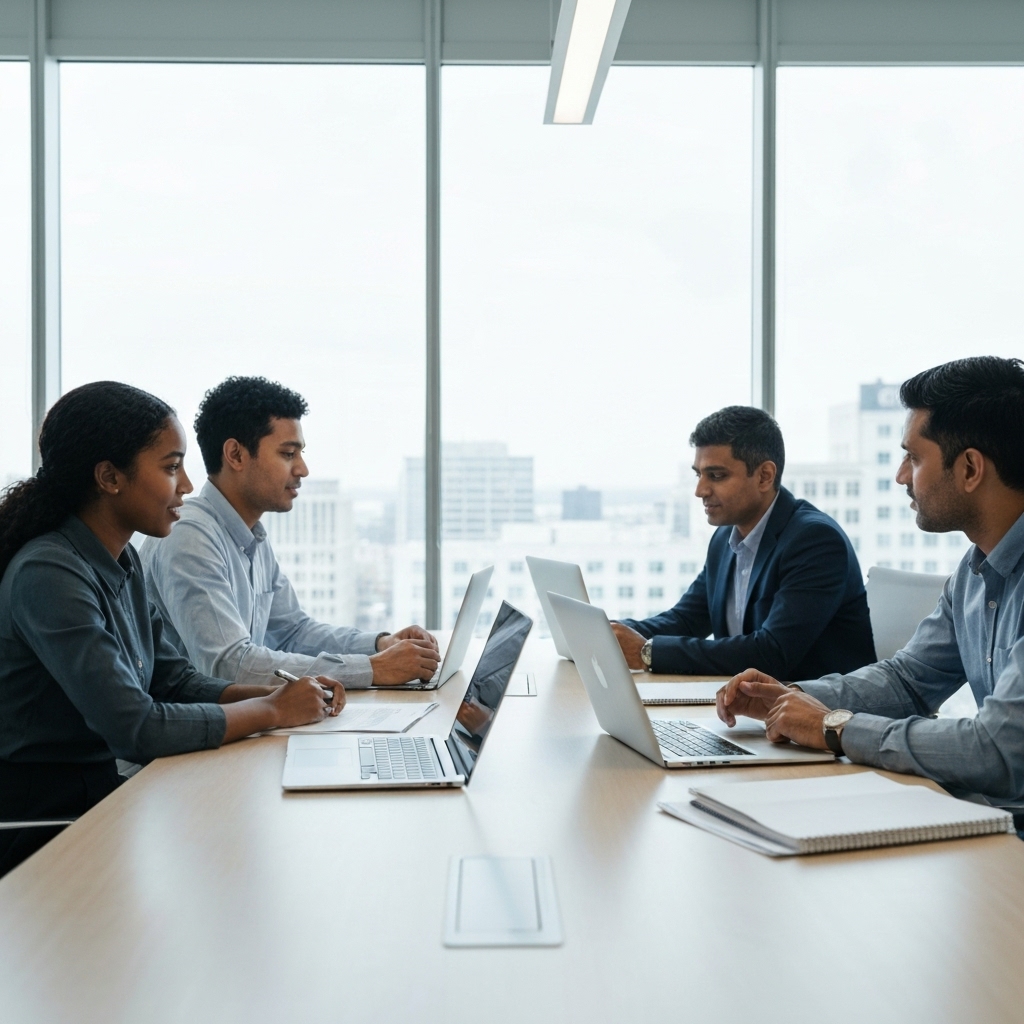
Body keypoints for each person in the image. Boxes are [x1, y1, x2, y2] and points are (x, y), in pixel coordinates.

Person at [0, 382, 343, 876]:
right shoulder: (50, 575)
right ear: (109, 477)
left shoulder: (122, 561)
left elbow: (174, 681)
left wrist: (285, 693)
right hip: (45, 826)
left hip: (101, 802)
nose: (185, 484)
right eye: (170, 467)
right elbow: (135, 727)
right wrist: (270, 709)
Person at [717, 357, 1024, 819]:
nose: (901, 475)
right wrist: (791, 698)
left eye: (914, 457)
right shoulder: (973, 571)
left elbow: (998, 750)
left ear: (970, 469)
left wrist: (834, 727)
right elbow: (907, 680)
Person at [141, 376, 439, 688]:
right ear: (236, 455)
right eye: (288, 454)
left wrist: (380, 645)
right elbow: (229, 666)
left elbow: (292, 632)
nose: (302, 469)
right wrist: (374, 670)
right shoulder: (190, 535)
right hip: (199, 730)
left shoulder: (250, 535)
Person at [611, 406, 875, 680]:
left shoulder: (815, 541)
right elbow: (686, 620)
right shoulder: (725, 537)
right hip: (748, 708)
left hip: (819, 712)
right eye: (698, 474)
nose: (700, 490)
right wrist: (611, 633)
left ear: (764, 476)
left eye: (716, 476)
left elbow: (771, 653)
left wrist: (648, 653)